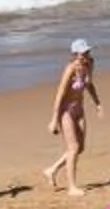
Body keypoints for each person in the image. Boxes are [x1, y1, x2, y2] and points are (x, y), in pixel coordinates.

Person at [41, 41, 99, 194]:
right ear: (75, 54)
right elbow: (60, 94)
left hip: (79, 110)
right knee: (73, 148)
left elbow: (89, 85)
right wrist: (54, 119)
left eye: (87, 52)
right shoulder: (70, 69)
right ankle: (72, 187)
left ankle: (52, 170)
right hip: (65, 112)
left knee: (80, 148)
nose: (85, 56)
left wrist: (98, 103)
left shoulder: (90, 64)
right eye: (82, 54)